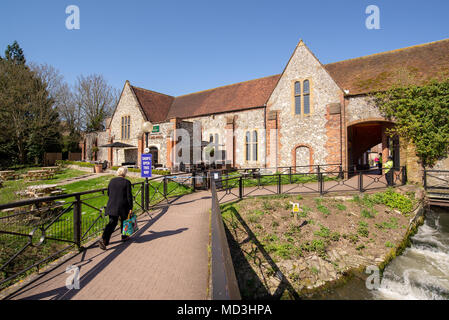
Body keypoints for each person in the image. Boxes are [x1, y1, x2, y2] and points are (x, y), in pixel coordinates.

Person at [98, 166, 133, 250]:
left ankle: (104, 240)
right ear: (125, 173)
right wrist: (131, 207)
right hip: (123, 206)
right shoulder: (127, 182)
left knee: (112, 222)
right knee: (124, 221)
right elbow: (129, 196)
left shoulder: (112, 181)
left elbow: (108, 193)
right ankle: (124, 236)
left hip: (112, 205)